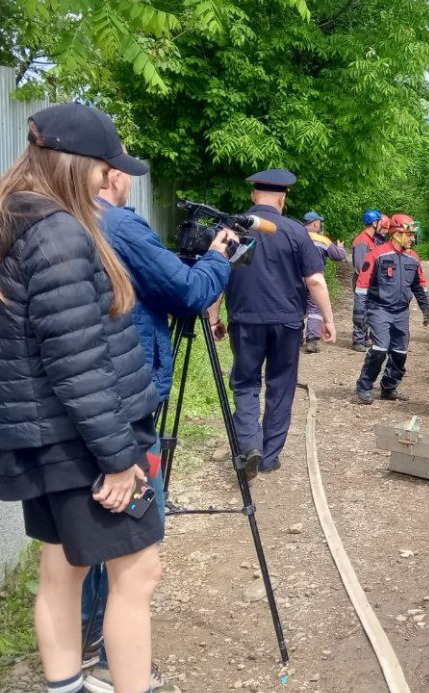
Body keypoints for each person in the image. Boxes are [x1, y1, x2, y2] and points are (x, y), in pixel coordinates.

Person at [0, 102, 163, 693]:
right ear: (74, 164)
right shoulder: (59, 235)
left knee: (62, 568)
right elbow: (78, 363)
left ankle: (64, 687)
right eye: (103, 168)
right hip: (81, 443)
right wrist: (118, 458)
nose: (108, 180)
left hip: (49, 438)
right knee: (139, 572)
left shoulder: (18, 217)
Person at [78, 156, 235, 693]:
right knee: (130, 549)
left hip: (73, 398)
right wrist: (218, 259)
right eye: (122, 171)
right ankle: (107, 664)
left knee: (76, 538)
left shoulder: (49, 216)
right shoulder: (118, 224)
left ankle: (81, 651)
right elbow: (188, 293)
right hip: (123, 397)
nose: (127, 180)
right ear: (108, 174)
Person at [207, 168, 334, 476]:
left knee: (246, 381)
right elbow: (315, 280)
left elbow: (216, 273)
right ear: (282, 199)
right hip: (287, 322)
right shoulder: (295, 231)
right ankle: (269, 458)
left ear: (253, 195)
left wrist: (213, 318)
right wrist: (327, 319)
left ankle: (250, 444)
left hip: (245, 320)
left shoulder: (231, 228)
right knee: (281, 386)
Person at [354, 213, 429, 404]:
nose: (413, 238)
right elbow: (362, 285)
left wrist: (426, 307)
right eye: (410, 234)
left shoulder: (413, 258)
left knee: (400, 352)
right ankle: (364, 386)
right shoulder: (376, 254)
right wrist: (359, 312)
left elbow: (419, 285)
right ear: (397, 234)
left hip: (401, 312)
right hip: (379, 308)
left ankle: (389, 387)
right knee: (380, 348)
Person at [303, 210, 346, 354]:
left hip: (296, 278)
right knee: (315, 309)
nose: (321, 225)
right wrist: (340, 247)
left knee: (296, 307)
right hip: (315, 277)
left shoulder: (296, 236)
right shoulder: (322, 240)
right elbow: (339, 256)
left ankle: (295, 339)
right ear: (315, 223)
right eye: (320, 222)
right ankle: (312, 341)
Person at [350, 209, 385, 352]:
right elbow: (360, 266)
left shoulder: (372, 240)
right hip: (362, 282)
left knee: (368, 310)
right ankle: (357, 340)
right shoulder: (362, 241)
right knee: (361, 311)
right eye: (379, 222)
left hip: (370, 282)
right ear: (374, 223)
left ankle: (364, 338)